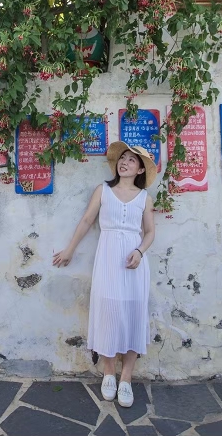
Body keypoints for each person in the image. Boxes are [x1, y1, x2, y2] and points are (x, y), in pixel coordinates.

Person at [53, 141, 156, 408]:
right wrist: (69, 250)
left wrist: (140, 251)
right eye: (122, 158)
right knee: (108, 311)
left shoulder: (145, 199)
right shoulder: (103, 191)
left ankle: (126, 378)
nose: (125, 162)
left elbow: (150, 232)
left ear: (140, 169)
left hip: (133, 262)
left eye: (132, 160)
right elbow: (87, 220)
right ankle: (108, 373)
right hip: (108, 259)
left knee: (133, 314)